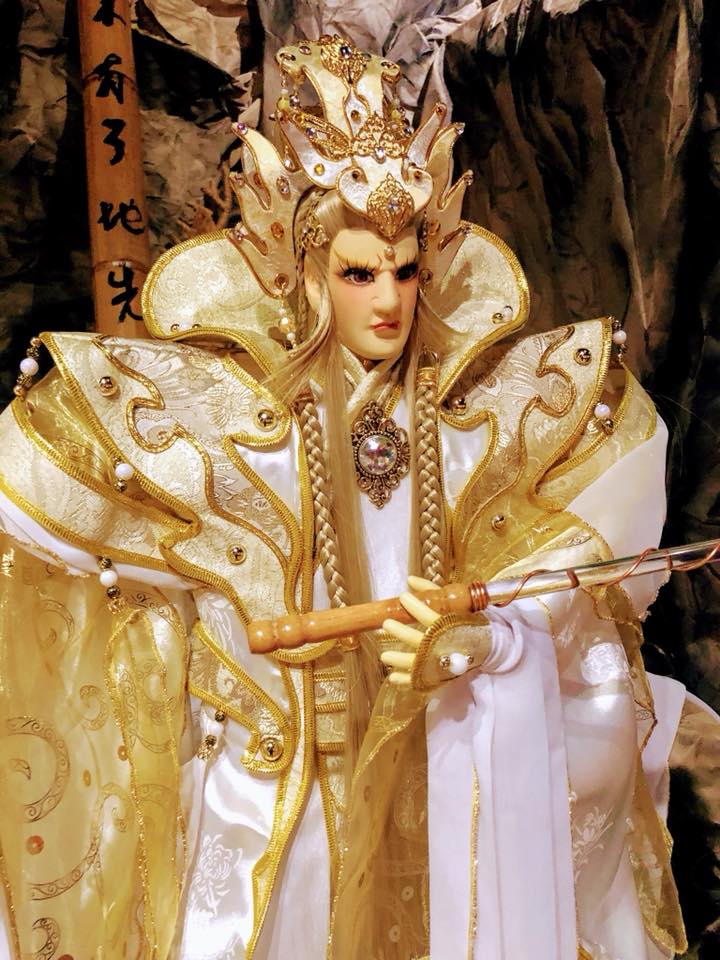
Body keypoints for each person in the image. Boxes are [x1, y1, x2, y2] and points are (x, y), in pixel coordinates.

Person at [0, 35, 690, 960]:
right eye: (359, 273)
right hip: (277, 793)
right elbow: (43, 473)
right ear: (309, 270)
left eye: (405, 271)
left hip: (435, 768)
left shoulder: (478, 420)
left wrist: (494, 642)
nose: (389, 302)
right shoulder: (236, 427)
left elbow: (589, 548)